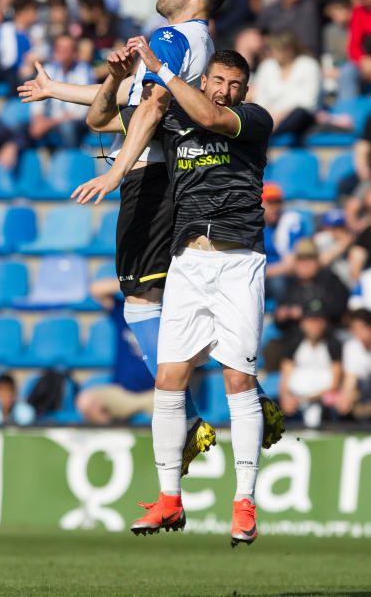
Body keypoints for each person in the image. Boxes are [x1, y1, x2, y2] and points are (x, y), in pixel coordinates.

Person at [93, 43, 274, 544]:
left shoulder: (252, 120)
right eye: (219, 80)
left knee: (238, 381)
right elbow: (103, 117)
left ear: (245, 91)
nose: (226, 90)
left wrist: (161, 70)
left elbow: (212, 116)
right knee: (169, 380)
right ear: (207, 78)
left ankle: (244, 503)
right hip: (188, 261)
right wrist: (113, 80)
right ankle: (170, 499)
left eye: (236, 85)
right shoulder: (173, 115)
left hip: (239, 261)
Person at [76, 277, 154, 423]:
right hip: (122, 392)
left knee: (175, 413)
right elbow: (95, 289)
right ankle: (112, 440)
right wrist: (136, 282)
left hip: (156, 394)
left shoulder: (163, 312)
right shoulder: (122, 311)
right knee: (86, 401)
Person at [279, 301, 343, 428]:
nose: (314, 326)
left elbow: (336, 382)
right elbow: (285, 377)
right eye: (310, 320)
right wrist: (285, 398)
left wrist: (308, 398)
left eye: (318, 321)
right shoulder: (294, 343)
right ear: (303, 323)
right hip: (296, 402)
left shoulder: (333, 344)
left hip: (323, 402)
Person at [253, 30, 321, 145]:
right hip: (270, 116)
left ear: (289, 50)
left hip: (298, 117)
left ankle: (267, 134)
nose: (272, 53)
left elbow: (309, 103)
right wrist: (271, 116)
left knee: (299, 114)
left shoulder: (309, 65)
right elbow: (260, 99)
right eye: (271, 49)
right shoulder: (266, 66)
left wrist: (281, 115)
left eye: (276, 49)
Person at [29, 34, 95, 148]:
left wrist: (49, 123)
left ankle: (70, 159)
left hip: (74, 122)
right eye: (58, 48)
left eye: (66, 49)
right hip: (50, 120)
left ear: (74, 53)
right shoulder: (48, 69)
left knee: (67, 127)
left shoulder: (84, 70)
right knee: (22, 127)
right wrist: (38, 119)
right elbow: (37, 101)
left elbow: (82, 112)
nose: (61, 52)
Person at [257, 0, 321, 56]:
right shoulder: (271, 9)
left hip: (306, 56)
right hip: (278, 57)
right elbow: (260, 32)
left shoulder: (310, 4)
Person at [262, 181, 309, 302]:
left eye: (278, 202)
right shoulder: (253, 224)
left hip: (278, 277)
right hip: (259, 275)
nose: (275, 207)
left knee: (279, 282)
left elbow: (289, 266)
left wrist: (259, 271)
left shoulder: (289, 223)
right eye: (270, 202)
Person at [0, 0, 39, 94]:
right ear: (20, 12)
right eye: (32, 11)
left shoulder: (36, 33)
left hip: (27, 80)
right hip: (5, 78)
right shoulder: (4, 30)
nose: (35, 15)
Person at [335, 308, 371, 419]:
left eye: (361, 328)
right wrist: (346, 397)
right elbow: (350, 378)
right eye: (354, 329)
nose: (358, 333)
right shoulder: (351, 346)